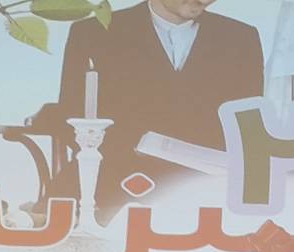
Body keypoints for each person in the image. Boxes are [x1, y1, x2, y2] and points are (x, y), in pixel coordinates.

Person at [49, 0, 265, 222]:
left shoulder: (241, 38)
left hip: (205, 191)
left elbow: (248, 127)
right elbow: (70, 117)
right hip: (109, 184)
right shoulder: (93, 32)